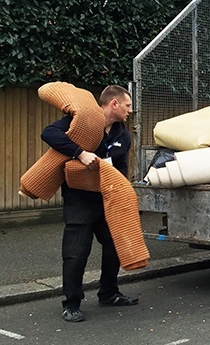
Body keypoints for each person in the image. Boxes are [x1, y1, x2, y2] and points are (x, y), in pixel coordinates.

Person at [41, 85, 139, 322]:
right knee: (76, 253)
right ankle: (72, 303)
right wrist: (79, 153)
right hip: (79, 200)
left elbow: (122, 170)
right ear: (113, 104)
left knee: (115, 245)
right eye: (127, 105)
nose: (130, 110)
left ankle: (109, 293)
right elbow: (48, 134)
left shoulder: (123, 135)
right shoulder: (81, 122)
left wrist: (123, 197)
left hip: (106, 200)